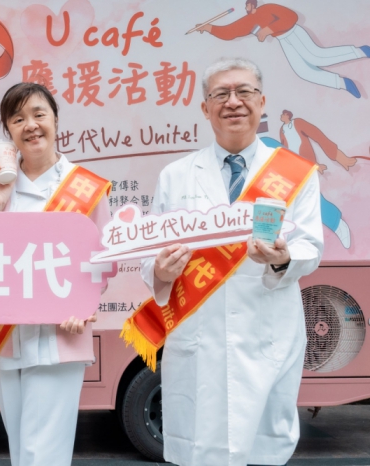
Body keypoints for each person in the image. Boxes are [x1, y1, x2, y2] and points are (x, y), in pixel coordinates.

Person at [141, 58, 323, 465]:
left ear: (262, 102)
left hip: (267, 332)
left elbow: (311, 245)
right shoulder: (176, 175)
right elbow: (151, 252)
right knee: (200, 448)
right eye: (221, 94)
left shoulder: (296, 174)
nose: (233, 102)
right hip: (199, 338)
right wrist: (159, 271)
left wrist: (283, 258)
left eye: (244, 92)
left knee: (262, 449)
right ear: (206, 108)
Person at [0, 82, 111, 465]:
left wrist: (83, 304)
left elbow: (103, 261)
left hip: (60, 337)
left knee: (42, 454)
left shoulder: (86, 187)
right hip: (4, 336)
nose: (30, 125)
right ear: (8, 130)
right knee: (21, 451)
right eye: (18, 119)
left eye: (38, 114)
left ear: (55, 119)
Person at [195, 0, 369, 98]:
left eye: (248, 6)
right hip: (284, 39)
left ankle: (361, 51)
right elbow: (231, 31)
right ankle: (342, 83)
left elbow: (290, 16)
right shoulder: (249, 21)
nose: (246, 9)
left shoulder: (267, 8)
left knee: (317, 57)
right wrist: (209, 28)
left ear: (253, 5)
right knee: (303, 71)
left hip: (293, 32)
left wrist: (268, 29)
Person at [279, 110, 354, 248]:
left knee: (309, 195)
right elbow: (284, 151)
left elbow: (318, 136)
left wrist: (337, 156)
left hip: (306, 165)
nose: (281, 116)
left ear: (287, 115)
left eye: (283, 114)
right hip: (291, 168)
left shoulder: (298, 123)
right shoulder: (282, 130)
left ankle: (336, 223)